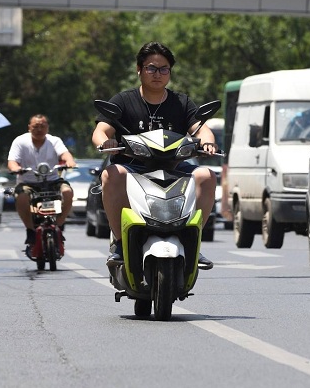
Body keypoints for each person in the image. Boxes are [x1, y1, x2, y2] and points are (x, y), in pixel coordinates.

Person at [91, 41, 216, 267]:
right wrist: (105, 142)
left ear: (169, 72)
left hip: (173, 167)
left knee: (207, 176)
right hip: (133, 168)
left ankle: (193, 243)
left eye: (163, 69)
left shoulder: (182, 102)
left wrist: (208, 142)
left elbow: (201, 127)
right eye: (151, 68)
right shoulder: (123, 100)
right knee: (111, 174)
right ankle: (120, 243)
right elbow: (101, 130)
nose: (157, 74)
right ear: (139, 70)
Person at [7, 114, 76, 250]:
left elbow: (65, 154)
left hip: (52, 179)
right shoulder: (20, 141)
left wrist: (69, 161)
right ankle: (30, 230)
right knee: (21, 196)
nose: (39, 130)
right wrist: (16, 168)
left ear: (47, 128)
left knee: (67, 192)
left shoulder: (54, 141)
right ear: (29, 128)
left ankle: (59, 226)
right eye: (35, 127)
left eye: (42, 126)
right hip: (28, 182)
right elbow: (12, 161)